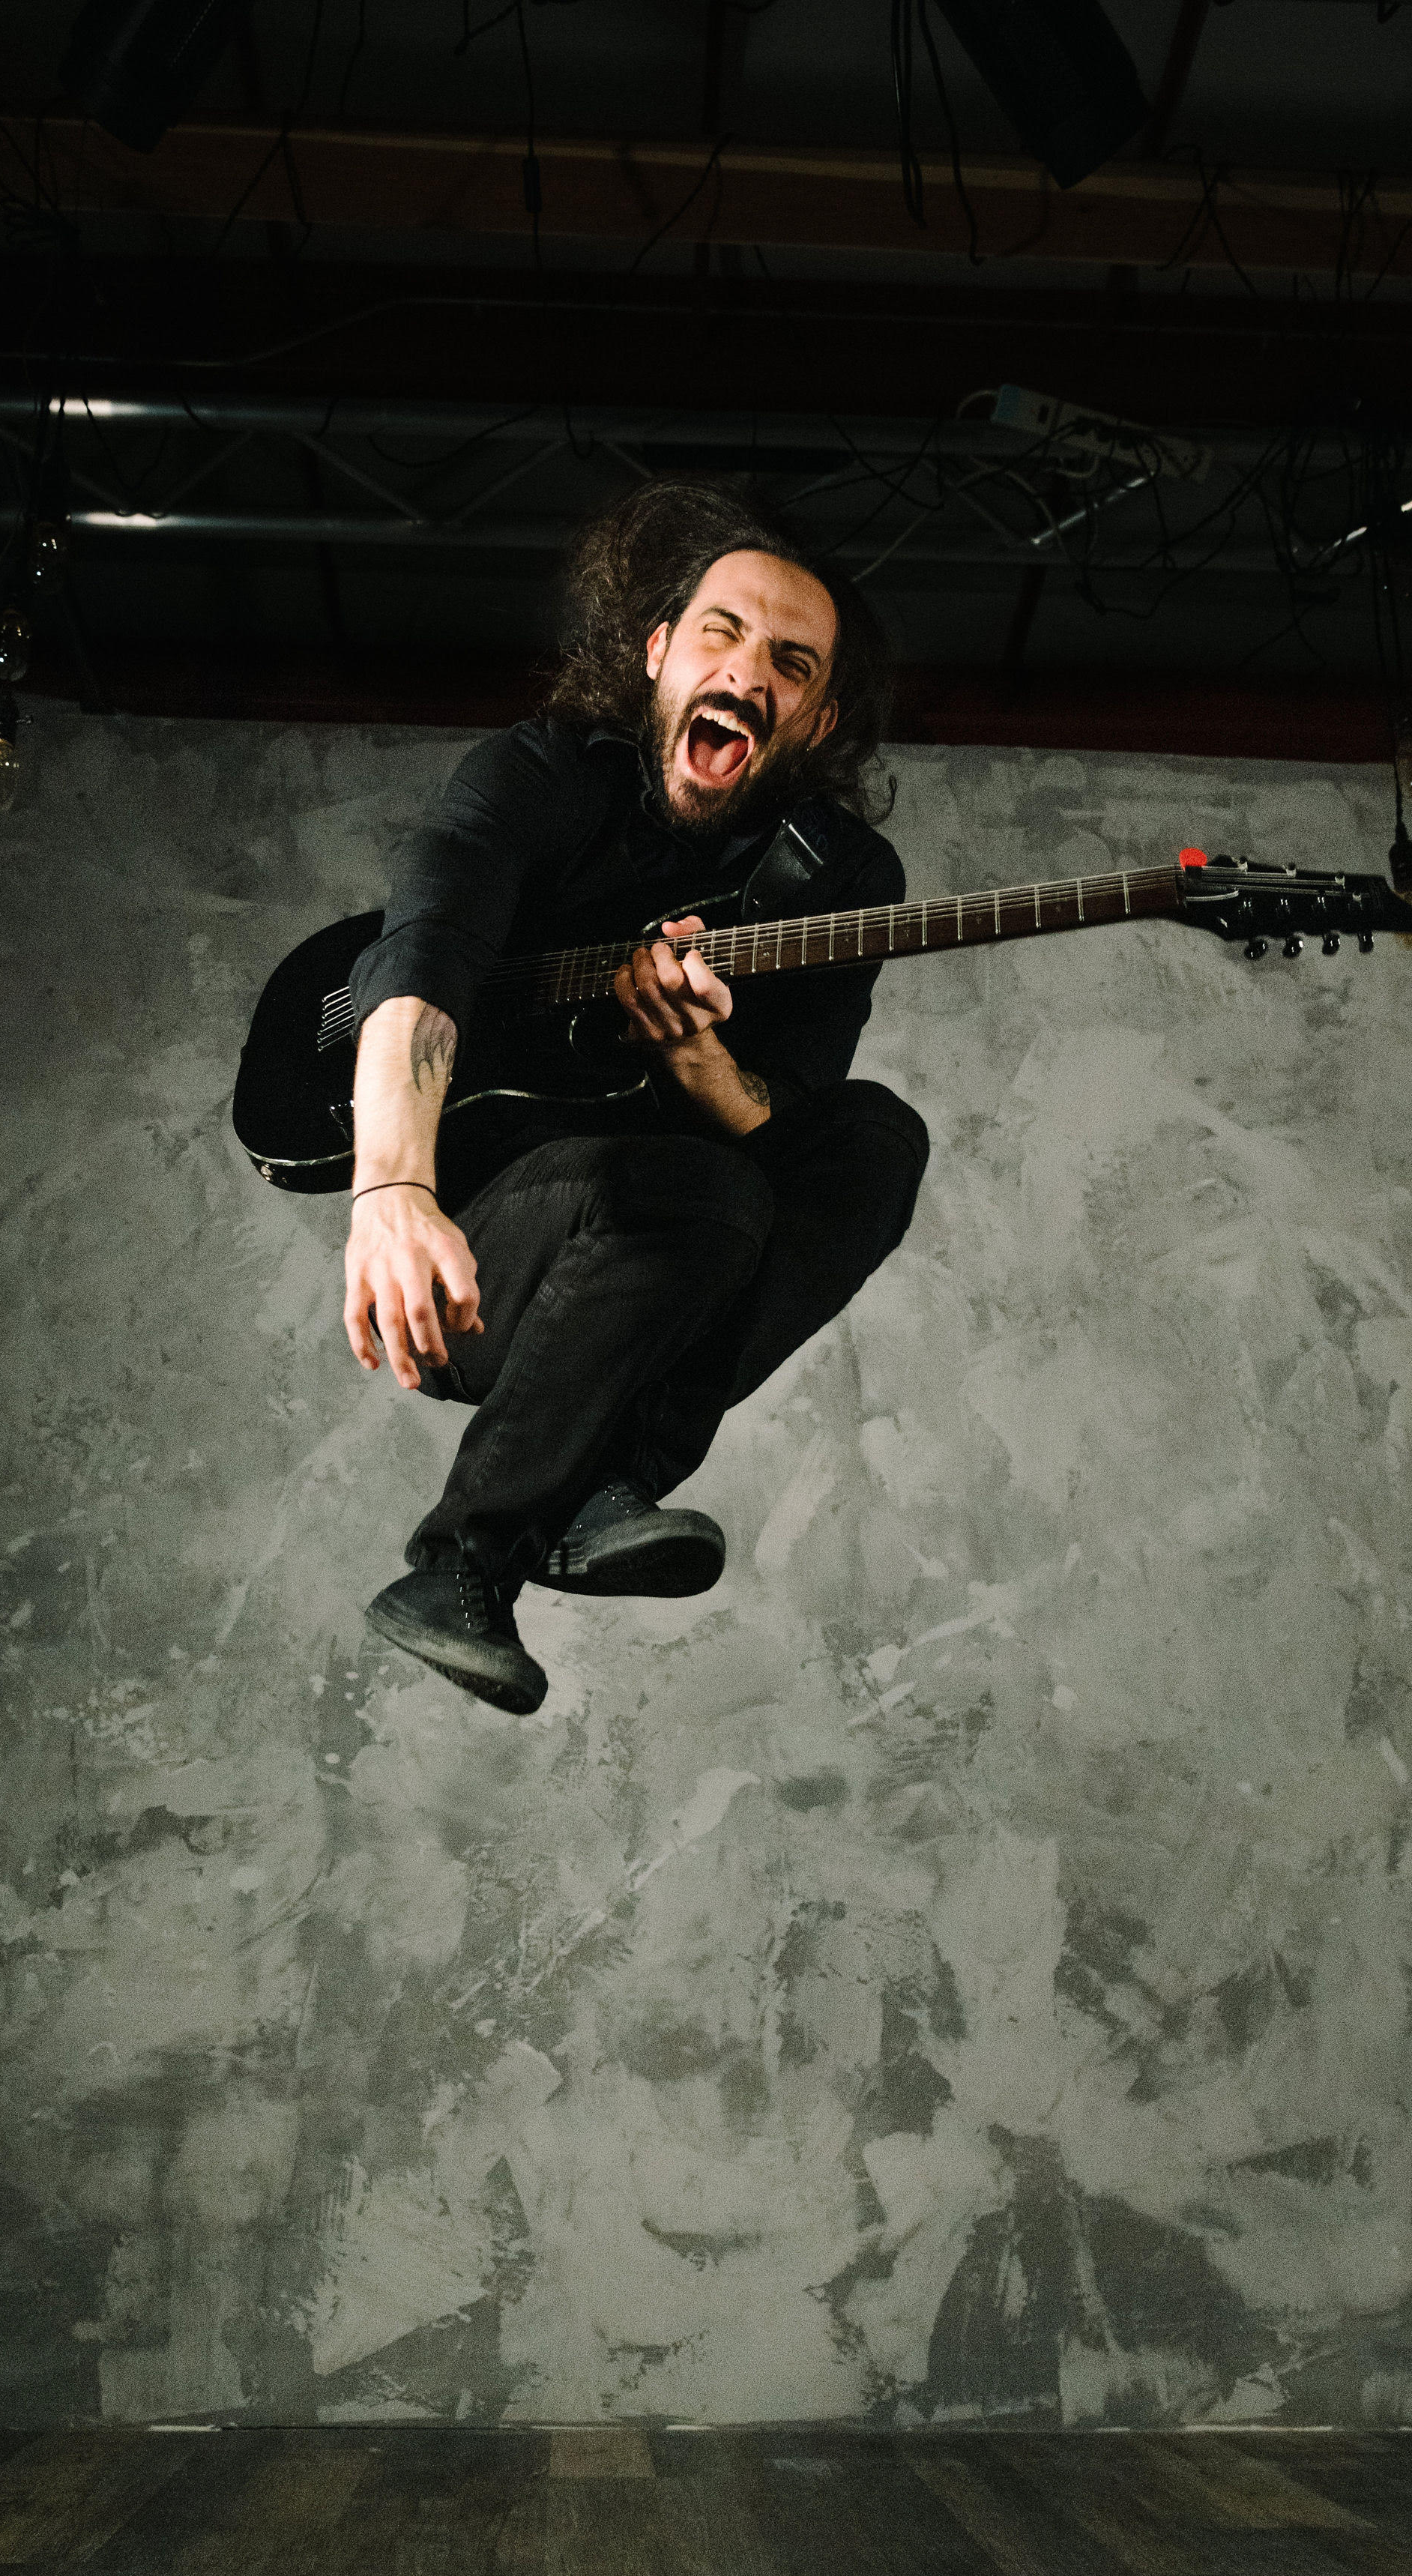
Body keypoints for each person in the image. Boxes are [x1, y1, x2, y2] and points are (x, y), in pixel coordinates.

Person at [342, 480, 929, 1714]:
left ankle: (594, 1491)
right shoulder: (542, 776)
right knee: (692, 1185)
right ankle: (467, 1559)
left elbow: (791, 1128)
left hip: (668, 1263)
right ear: (658, 651)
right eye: (722, 632)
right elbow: (427, 947)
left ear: (819, 719)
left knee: (874, 1138)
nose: (748, 672)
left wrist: (700, 1062)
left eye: (791, 664)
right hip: (478, 1262)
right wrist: (392, 1188)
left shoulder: (843, 877)